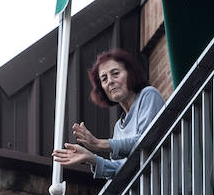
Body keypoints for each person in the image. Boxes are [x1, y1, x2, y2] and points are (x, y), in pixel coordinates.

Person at [52, 49, 165, 180]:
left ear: (131, 74)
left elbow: (146, 141)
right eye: (104, 79)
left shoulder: (149, 95)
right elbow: (123, 169)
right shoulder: (119, 127)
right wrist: (92, 158)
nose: (110, 81)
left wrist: (100, 144)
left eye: (115, 73)